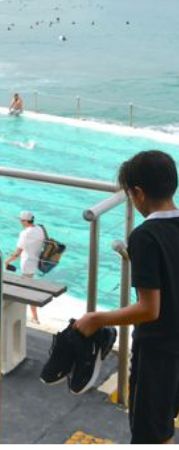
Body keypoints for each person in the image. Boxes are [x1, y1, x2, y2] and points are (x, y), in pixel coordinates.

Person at [48, 151, 177, 442]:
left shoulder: (146, 236)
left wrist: (96, 319)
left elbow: (149, 309)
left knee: (151, 433)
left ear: (138, 194)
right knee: (164, 423)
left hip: (158, 353)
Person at [5, 211, 45, 324]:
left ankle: (34, 318)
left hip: (27, 265)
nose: (20, 222)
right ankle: (34, 316)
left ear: (26, 221)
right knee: (26, 289)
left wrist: (7, 261)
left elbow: (18, 253)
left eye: (21, 220)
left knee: (26, 292)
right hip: (35, 263)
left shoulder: (25, 233)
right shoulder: (39, 229)